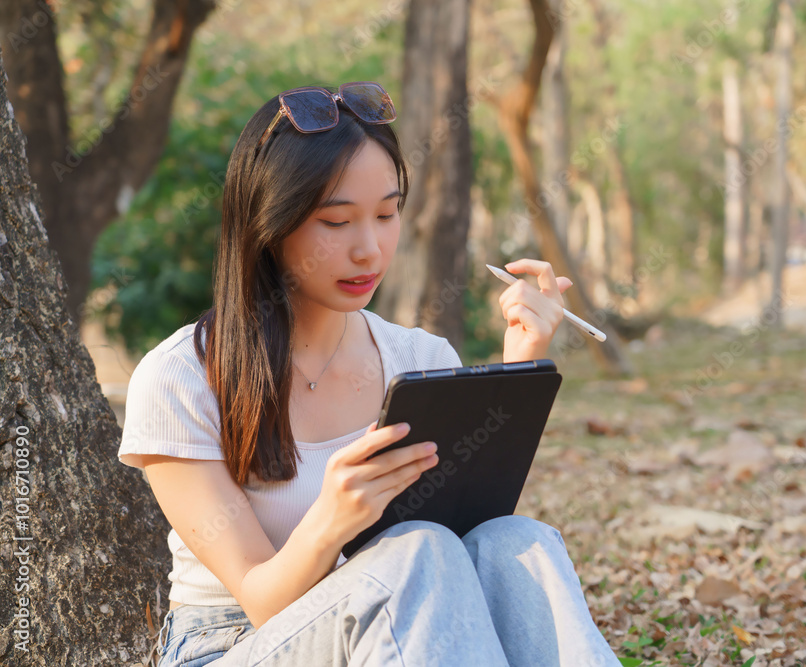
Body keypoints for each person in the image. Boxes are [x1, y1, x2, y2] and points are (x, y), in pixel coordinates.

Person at [117, 82, 620, 666]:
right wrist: (331, 520)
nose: (370, 250)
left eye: (386, 213)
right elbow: (259, 601)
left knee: (518, 542)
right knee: (416, 553)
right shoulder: (180, 378)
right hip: (235, 643)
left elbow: (473, 546)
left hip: (407, 624)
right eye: (336, 223)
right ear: (269, 225)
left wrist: (520, 366)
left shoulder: (423, 361)